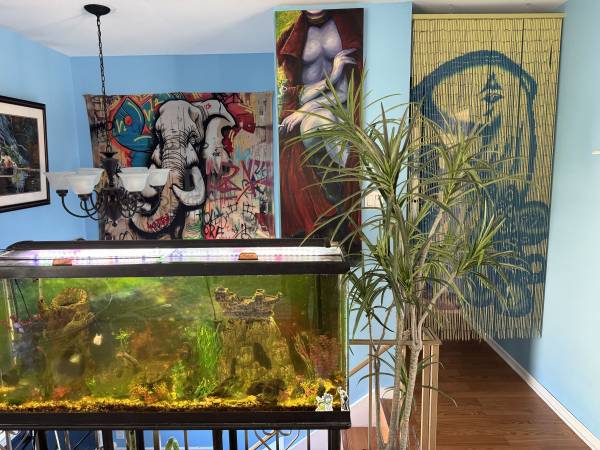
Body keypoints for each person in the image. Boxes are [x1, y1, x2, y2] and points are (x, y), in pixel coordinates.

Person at [277, 9, 363, 244]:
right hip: (311, 110)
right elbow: (298, 93)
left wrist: (306, 109)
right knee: (312, 123)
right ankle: (335, 208)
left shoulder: (348, 27)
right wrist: (331, 77)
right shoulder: (292, 34)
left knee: (317, 121)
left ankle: (342, 207)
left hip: (340, 109)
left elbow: (343, 92)